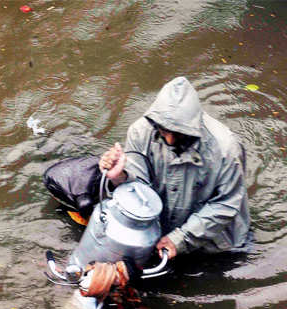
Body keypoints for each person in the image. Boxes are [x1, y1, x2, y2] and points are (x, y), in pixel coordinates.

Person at [99, 76, 251, 260]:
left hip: (215, 242)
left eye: (178, 134)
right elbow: (139, 190)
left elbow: (226, 204)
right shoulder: (140, 132)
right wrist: (120, 177)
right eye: (164, 130)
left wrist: (181, 239)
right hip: (161, 233)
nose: (170, 140)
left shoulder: (226, 148)